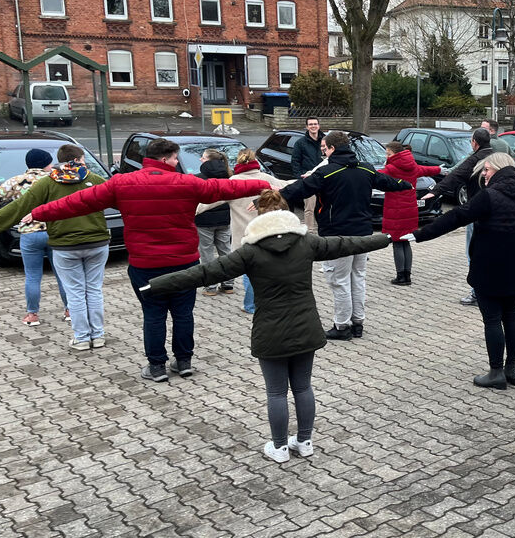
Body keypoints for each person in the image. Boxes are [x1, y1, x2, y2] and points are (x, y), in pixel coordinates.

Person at [142, 190, 393, 462]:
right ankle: (305, 442)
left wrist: (155, 285)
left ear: (259, 216)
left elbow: (204, 272)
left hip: (270, 330)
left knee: (276, 392)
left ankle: (280, 447)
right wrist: (386, 238)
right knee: (303, 387)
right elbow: (348, 243)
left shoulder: (250, 251)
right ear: (286, 212)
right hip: (306, 326)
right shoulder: (307, 242)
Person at [30, 138, 270, 381]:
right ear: (165, 158)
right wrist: (262, 185)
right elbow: (225, 187)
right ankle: (184, 362)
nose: (177, 163)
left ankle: (156, 367)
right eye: (175, 158)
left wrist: (38, 213)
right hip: (184, 263)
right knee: (183, 314)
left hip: (145, 264)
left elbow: (78, 202)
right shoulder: (187, 182)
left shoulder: (122, 183)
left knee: (153, 315)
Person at [409, 153, 515, 389]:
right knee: (512, 316)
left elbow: (456, 217)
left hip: (488, 267)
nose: (484, 174)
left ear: (498, 169)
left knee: (492, 320)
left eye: (487, 169)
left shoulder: (489, 196)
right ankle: (512, 370)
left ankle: (496, 372)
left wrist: (420, 235)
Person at [280, 131, 412, 340]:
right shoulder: (365, 168)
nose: (324, 153)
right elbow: (388, 182)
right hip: (363, 234)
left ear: (332, 148)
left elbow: (299, 189)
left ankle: (342, 326)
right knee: (357, 278)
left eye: (325, 149)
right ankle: (358, 323)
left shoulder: (326, 172)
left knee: (339, 280)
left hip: (337, 236)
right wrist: (406, 185)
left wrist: (272, 196)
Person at [0, 145, 108, 348]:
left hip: (63, 244)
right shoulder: (95, 179)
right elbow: (123, 199)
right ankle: (98, 336)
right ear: (79, 159)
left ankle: (81, 338)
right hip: (97, 242)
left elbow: (12, 210)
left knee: (72, 290)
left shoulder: (47, 183)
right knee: (93, 290)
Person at [421, 128, 515, 306]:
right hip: (500, 213)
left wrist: (435, 191)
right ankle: (496, 289)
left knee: (474, 252)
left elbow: (456, 175)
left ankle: (477, 293)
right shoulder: (498, 157)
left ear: (474, 142)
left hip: (477, 212)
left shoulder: (474, 159)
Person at [0, 148, 67, 327]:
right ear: (46, 163)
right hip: (55, 232)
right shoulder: (56, 179)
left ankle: (32, 315)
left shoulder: (17, 181)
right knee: (63, 274)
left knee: (32, 276)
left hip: (29, 234)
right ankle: (70, 310)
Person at [196, 149, 290, 313]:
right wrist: (311, 175)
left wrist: (190, 211)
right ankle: (264, 301)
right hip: (266, 233)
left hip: (244, 236)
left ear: (238, 162)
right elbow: (287, 185)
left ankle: (251, 305)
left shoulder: (234, 181)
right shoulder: (266, 178)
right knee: (263, 270)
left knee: (249, 271)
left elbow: (212, 200)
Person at [379, 141, 441, 286]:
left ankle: (401, 276)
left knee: (397, 242)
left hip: (395, 209)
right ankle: (407, 275)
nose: (387, 156)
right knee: (406, 241)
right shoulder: (412, 166)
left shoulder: (391, 168)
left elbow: (377, 176)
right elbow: (426, 170)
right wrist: (439, 169)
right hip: (410, 209)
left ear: (396, 154)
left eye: (388, 154)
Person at [194, 149, 234, 296]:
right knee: (226, 252)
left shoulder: (198, 179)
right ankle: (228, 285)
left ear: (209, 161)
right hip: (225, 220)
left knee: (207, 254)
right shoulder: (229, 176)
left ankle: (211, 287)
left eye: (203, 157)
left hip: (204, 222)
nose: (200, 159)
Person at [291, 117, 324, 233]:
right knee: (309, 208)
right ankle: (309, 231)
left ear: (319, 126)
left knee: (324, 206)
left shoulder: (325, 141)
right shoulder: (300, 143)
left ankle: (324, 229)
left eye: (315, 124)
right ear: (307, 127)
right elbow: (295, 161)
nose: (313, 126)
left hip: (324, 179)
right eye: (310, 124)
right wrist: (300, 177)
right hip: (308, 180)